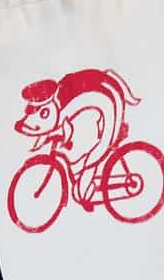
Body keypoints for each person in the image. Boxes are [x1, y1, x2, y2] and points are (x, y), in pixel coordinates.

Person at [14, 69, 140, 208]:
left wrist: (59, 138)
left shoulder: (63, 111)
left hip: (110, 102)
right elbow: (51, 129)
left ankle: (86, 192)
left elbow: (66, 132)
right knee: (76, 153)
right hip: (99, 95)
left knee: (94, 156)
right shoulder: (57, 107)